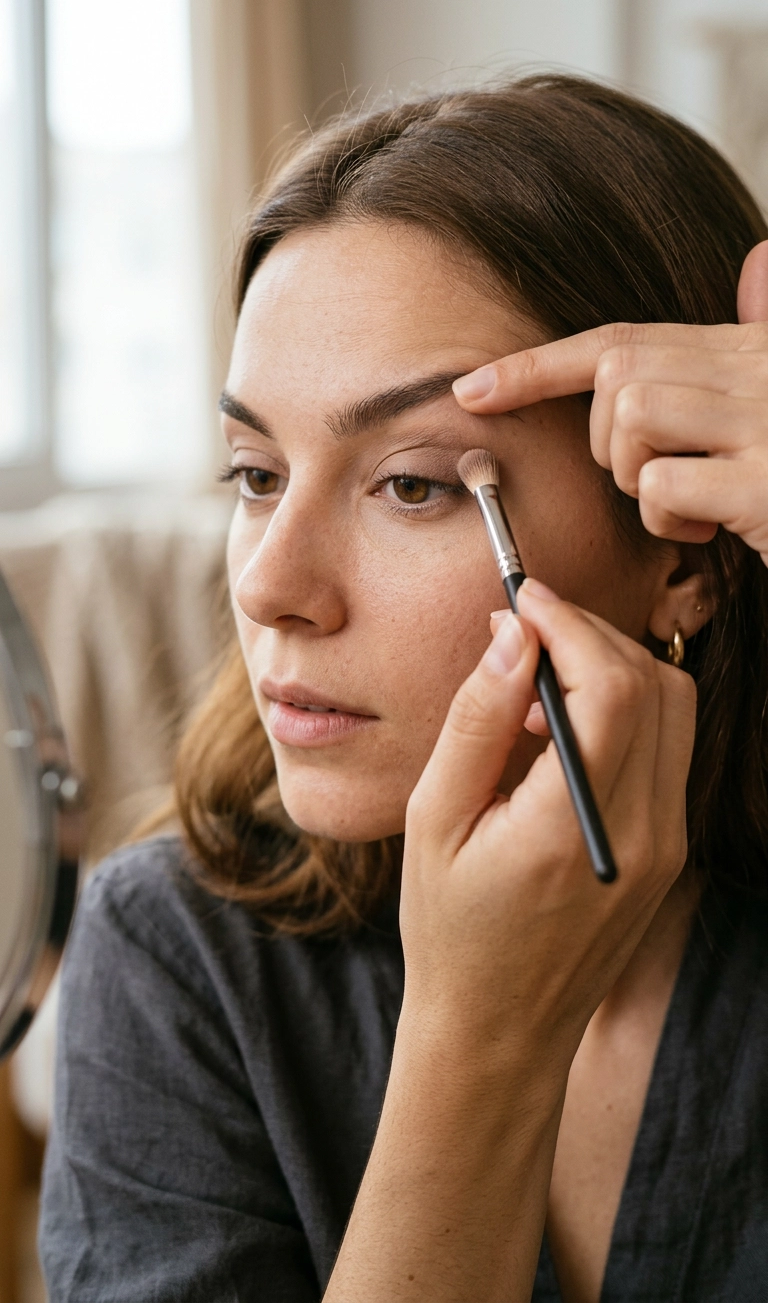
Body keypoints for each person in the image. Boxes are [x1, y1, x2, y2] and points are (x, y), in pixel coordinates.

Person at [39, 75, 768, 1303]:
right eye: (255, 472)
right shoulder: (178, 953)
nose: (270, 585)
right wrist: (478, 1046)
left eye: (416, 484)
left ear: (685, 554)